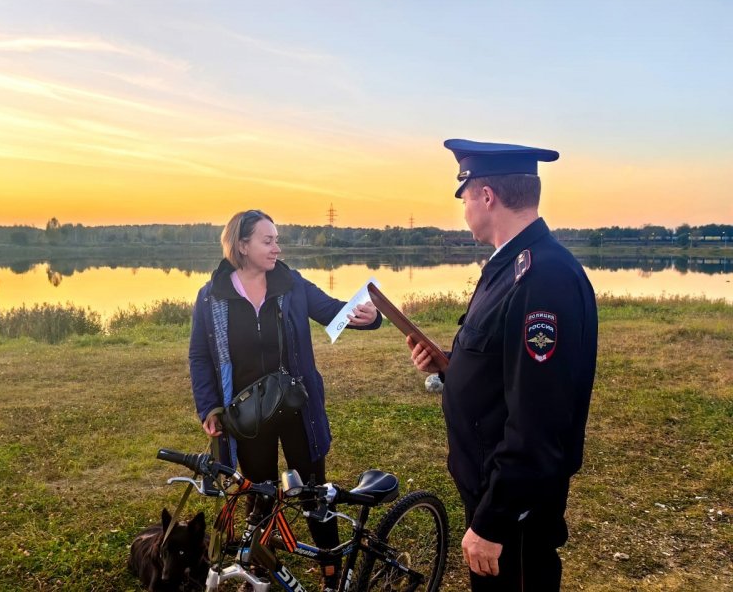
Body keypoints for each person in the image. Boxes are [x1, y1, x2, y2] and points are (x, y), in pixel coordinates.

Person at [407, 140, 598, 591]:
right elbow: (503, 369)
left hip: (515, 510)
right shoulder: (508, 266)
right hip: (490, 485)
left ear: (486, 196)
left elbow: (539, 421)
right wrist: (449, 367)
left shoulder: (543, 278)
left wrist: (493, 522)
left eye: (465, 195)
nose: (465, 208)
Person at [189, 209, 380, 591]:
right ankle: (259, 566)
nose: (277, 247)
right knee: (258, 494)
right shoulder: (212, 297)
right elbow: (200, 356)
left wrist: (370, 316)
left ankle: (330, 572)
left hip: (297, 409)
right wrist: (210, 407)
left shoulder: (290, 284)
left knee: (313, 493)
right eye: (268, 240)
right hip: (245, 416)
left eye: (277, 239)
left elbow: (333, 311)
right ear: (241, 245)